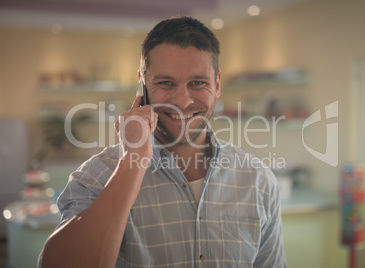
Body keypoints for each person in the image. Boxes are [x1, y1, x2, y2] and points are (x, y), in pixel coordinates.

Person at [39, 16, 287, 268]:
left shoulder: (258, 180)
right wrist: (133, 162)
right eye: (165, 83)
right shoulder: (95, 177)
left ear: (218, 84)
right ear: (143, 85)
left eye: (198, 82)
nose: (182, 101)